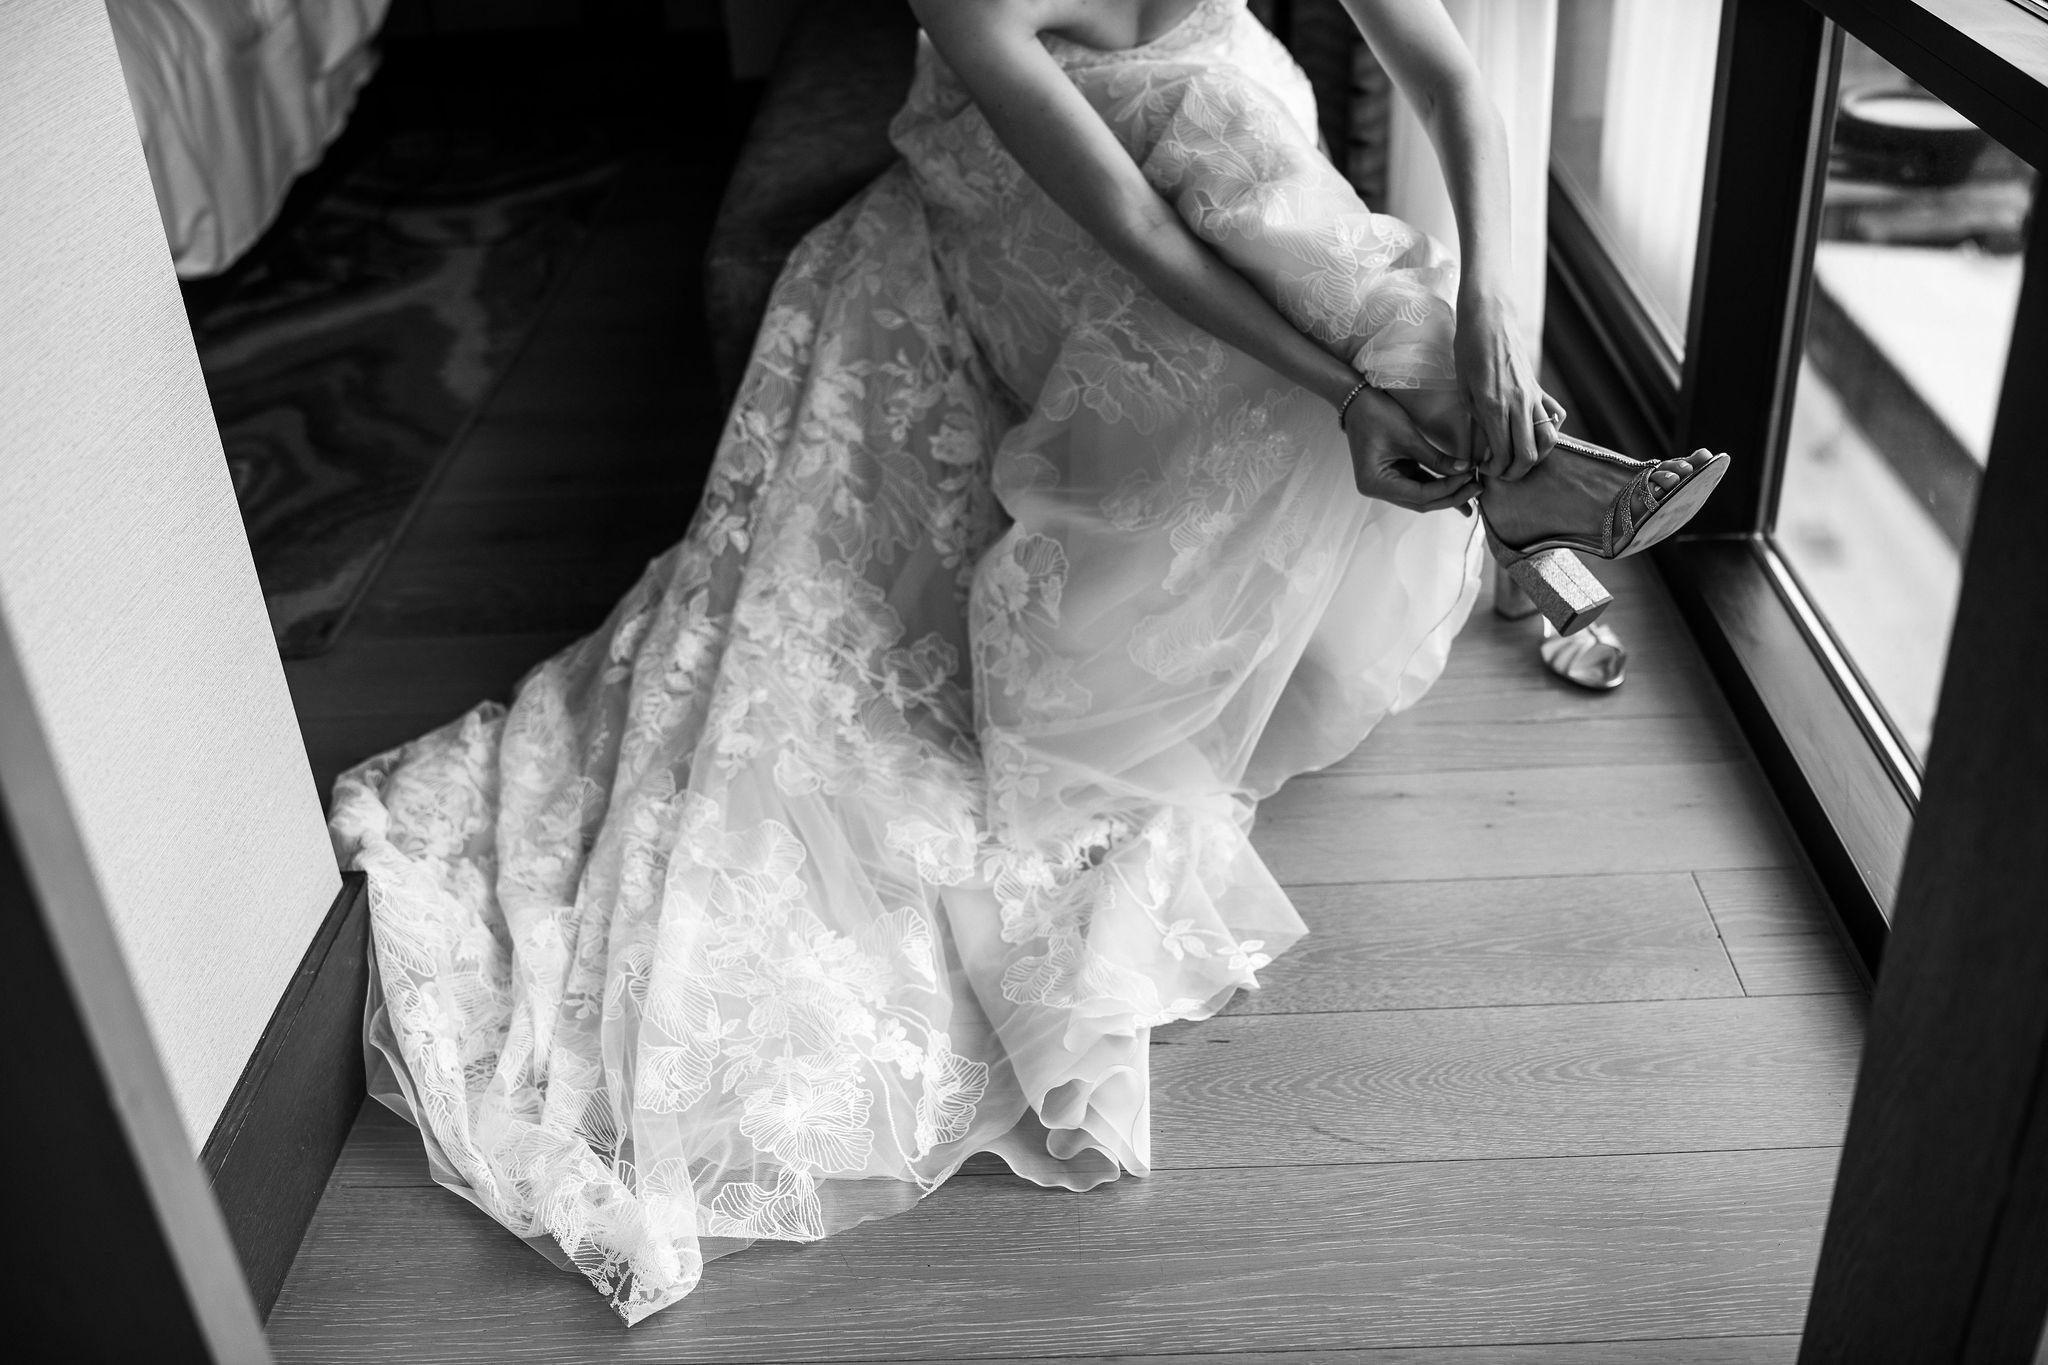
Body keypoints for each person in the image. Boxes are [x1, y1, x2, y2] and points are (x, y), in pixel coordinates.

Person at [329, 0, 1720, 1324]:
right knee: (1271, 217)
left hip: (1226, 154)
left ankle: (1486, 440)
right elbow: (1125, 221)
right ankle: (1519, 479)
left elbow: (1458, 80)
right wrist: (1347, 389)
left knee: (1273, 176)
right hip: (1026, 222)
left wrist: (1494, 309)